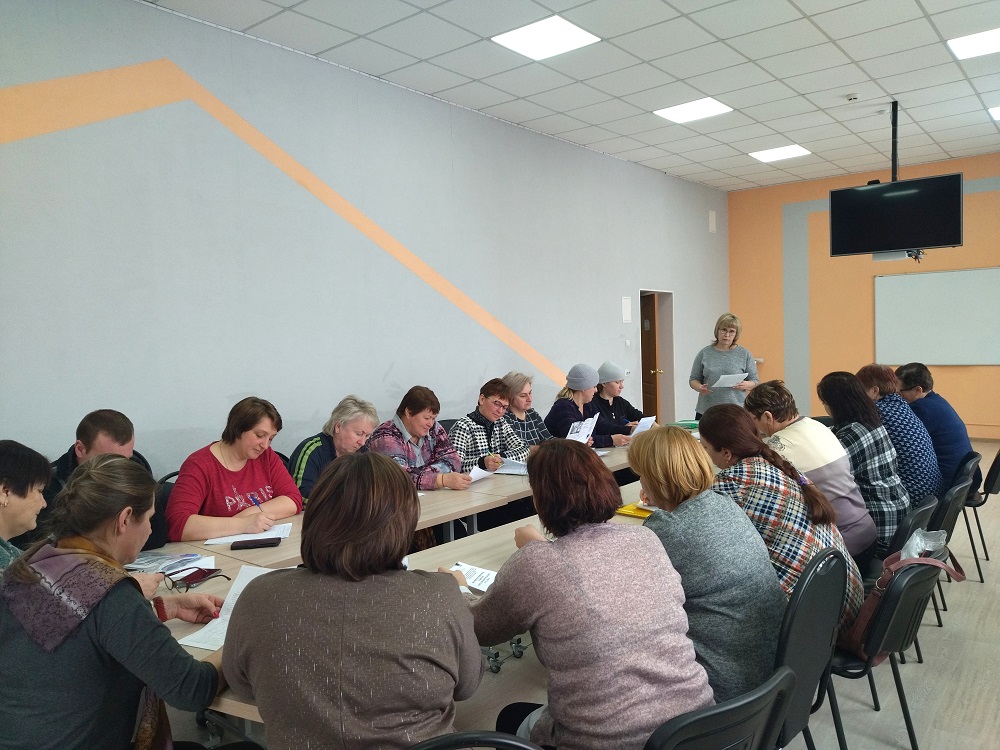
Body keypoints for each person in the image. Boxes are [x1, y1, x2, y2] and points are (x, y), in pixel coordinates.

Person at [447, 440, 713, 750]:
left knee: (509, 715)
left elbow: (479, 629)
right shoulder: (646, 537)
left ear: (540, 499)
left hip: (611, 741)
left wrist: (457, 587)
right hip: (697, 727)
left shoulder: (538, 563)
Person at [0, 455, 261, 750]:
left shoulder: (31, 564)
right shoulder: (109, 592)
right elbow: (192, 689)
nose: (150, 530)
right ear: (124, 519)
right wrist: (239, 641)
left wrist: (163, 608)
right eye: (148, 518)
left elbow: (76, 631)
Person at [224, 452, 483, 750]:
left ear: (315, 517)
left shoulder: (259, 596)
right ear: (404, 524)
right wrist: (461, 594)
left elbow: (241, 684)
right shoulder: (440, 595)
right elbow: (468, 685)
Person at [627, 427, 786, 702]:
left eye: (641, 474)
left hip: (725, 693)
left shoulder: (667, 529)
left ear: (654, 477)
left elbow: (628, 609)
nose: (640, 481)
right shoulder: (724, 503)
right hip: (772, 677)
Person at [698, 404, 863, 630]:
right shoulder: (778, 465)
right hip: (843, 595)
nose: (703, 454)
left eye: (705, 448)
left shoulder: (732, 482)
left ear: (726, 453)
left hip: (813, 620)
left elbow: (700, 538)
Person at [744, 380, 877, 565]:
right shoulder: (817, 425)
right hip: (866, 532)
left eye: (753, 419)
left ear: (767, 416)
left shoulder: (778, 446)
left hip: (842, 548)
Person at [10, 408, 163, 549]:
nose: (118, 468)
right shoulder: (47, 485)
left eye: (126, 459)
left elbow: (157, 534)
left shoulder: (136, 471)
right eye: (106, 459)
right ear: (80, 449)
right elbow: (41, 545)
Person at [165, 397, 302, 542]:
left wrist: (250, 514)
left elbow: (293, 500)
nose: (265, 445)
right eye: (260, 436)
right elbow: (178, 524)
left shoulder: (266, 456)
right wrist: (243, 524)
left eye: (271, 438)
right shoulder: (199, 464)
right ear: (238, 429)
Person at [816, 372, 911, 558]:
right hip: (896, 509)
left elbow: (829, 474)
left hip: (881, 526)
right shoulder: (869, 420)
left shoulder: (851, 435)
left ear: (836, 404)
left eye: (825, 403)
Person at [856, 364, 942, 502]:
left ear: (874, 391)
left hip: (913, 498)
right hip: (930, 495)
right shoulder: (901, 404)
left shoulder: (875, 412)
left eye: (859, 391)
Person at [895, 362, 981, 494]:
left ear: (918, 390)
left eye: (900, 392)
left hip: (947, 484)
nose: (897, 396)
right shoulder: (937, 400)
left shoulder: (921, 409)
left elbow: (901, 444)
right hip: (964, 479)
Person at [366, 386, 471, 491]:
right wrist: (440, 480)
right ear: (408, 412)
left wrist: (420, 476)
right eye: (426, 418)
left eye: (433, 418)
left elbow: (454, 461)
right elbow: (399, 477)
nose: (430, 423)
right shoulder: (385, 436)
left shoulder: (434, 429)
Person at [286, 395, 379, 501]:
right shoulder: (311, 450)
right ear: (338, 427)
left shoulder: (364, 454)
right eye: (359, 434)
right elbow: (300, 497)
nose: (362, 442)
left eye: (367, 436)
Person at [448, 378, 530, 473]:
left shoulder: (500, 423)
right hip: (473, 481)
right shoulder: (463, 427)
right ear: (482, 399)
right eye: (497, 404)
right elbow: (453, 467)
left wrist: (502, 457)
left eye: (504, 407)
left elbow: (525, 449)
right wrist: (482, 463)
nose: (500, 411)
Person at [543, 363, 631, 448]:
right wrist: (611, 440)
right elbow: (575, 440)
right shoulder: (563, 407)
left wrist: (630, 430)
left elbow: (603, 426)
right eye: (594, 386)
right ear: (583, 388)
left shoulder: (588, 405)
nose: (596, 390)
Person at [689, 312, 759, 418]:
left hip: (735, 410)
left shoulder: (744, 354)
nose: (727, 335)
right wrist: (699, 387)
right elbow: (693, 379)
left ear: (736, 334)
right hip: (707, 410)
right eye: (724, 330)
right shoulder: (704, 353)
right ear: (717, 330)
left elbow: (755, 381)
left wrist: (745, 385)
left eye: (731, 331)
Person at [0, 440, 51, 569]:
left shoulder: (14, 561)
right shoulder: (10, 572)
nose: (44, 504)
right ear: (5, 491)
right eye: (40, 490)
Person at [501, 371, 553, 447]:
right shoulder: (504, 418)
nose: (529, 399)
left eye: (530, 393)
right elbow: (518, 448)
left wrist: (566, 444)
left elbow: (548, 440)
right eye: (523, 396)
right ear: (510, 397)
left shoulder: (532, 414)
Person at [594, 360, 645, 428]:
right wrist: (625, 429)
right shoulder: (593, 405)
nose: (622, 386)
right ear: (604, 383)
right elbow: (602, 428)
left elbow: (639, 416)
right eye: (617, 382)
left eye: (622, 382)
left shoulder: (620, 402)